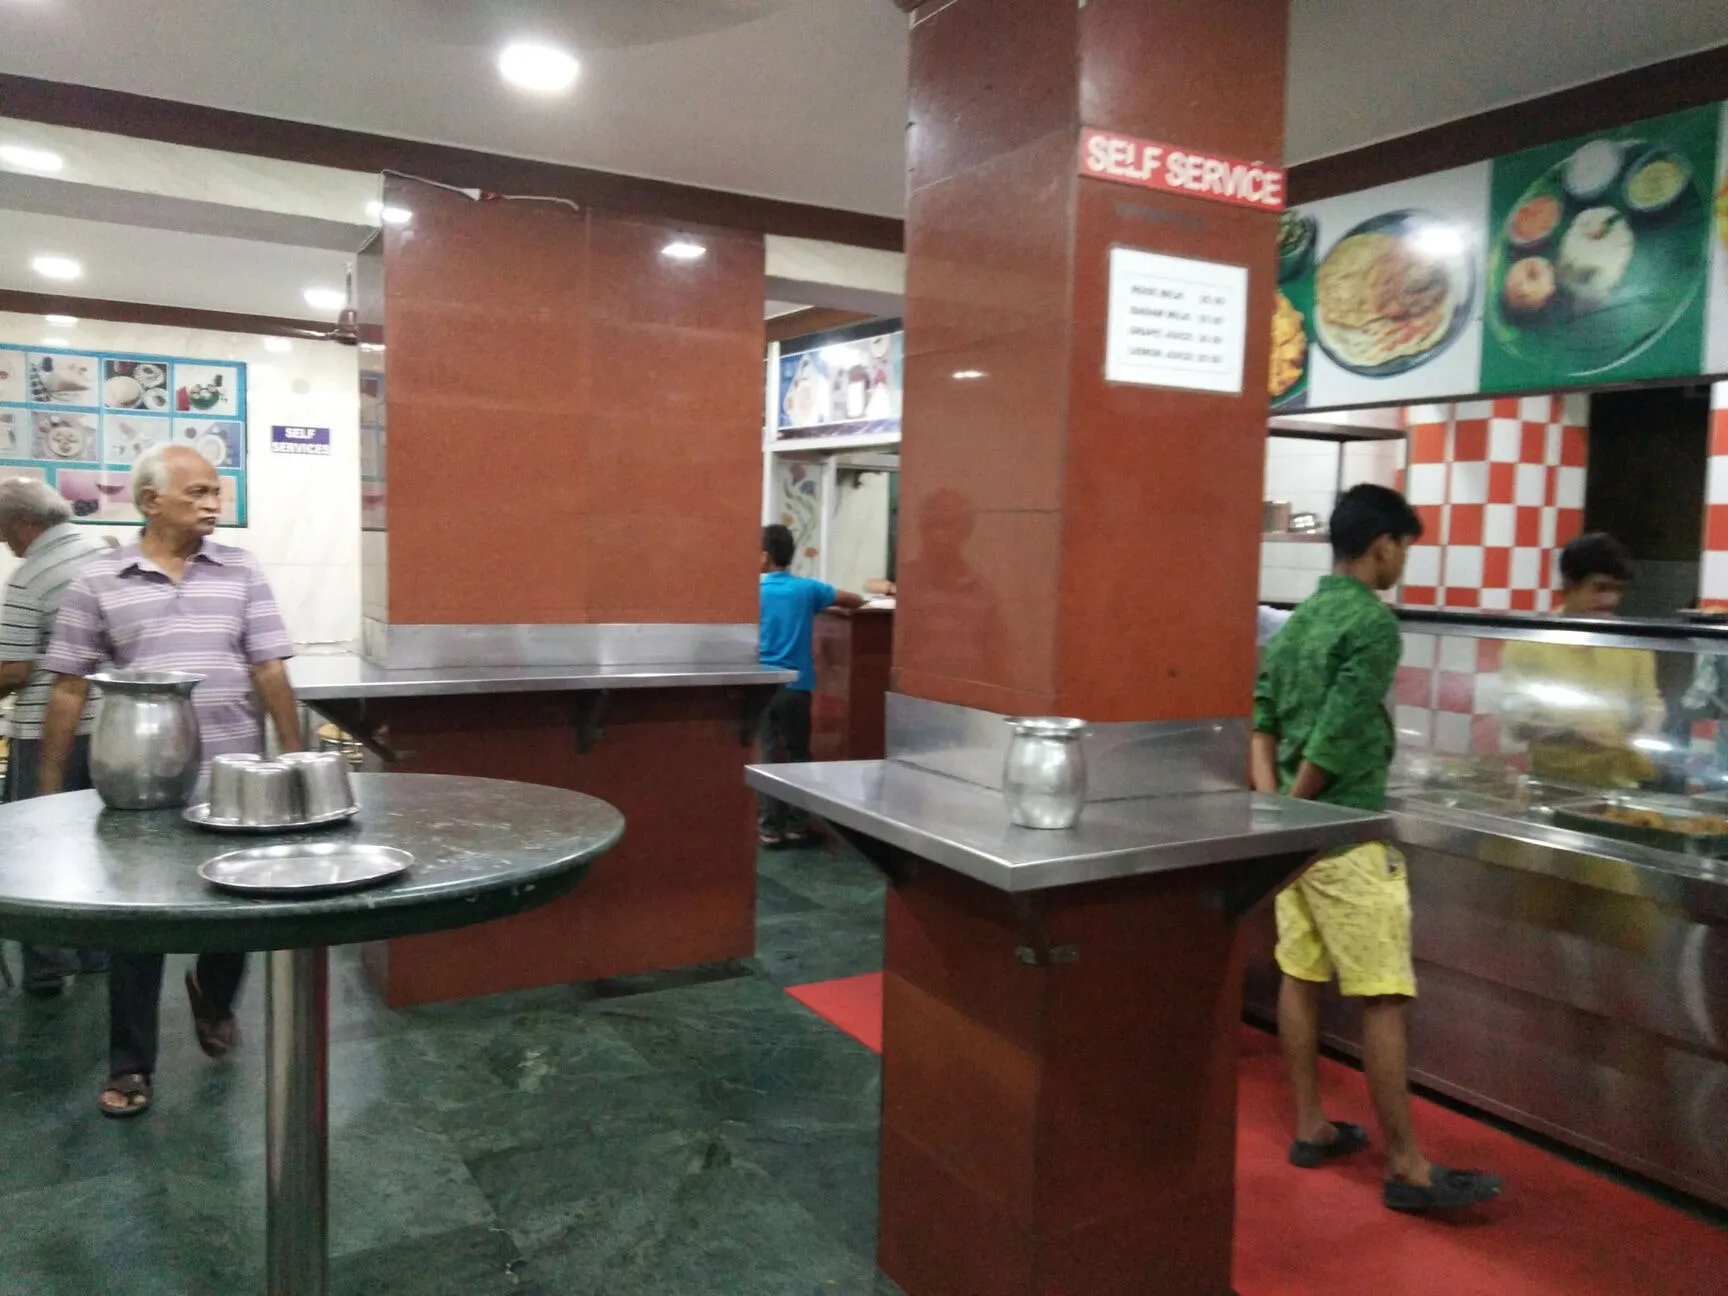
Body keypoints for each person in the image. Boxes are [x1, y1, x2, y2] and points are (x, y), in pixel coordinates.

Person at [1252, 483, 1501, 1213]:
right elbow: (1337, 732)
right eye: (1404, 549)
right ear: (1383, 544)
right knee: (1385, 995)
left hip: (1296, 841)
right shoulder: (1372, 622)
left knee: (1300, 975)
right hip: (1346, 834)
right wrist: (1300, 809)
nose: (1402, 563)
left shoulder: (1299, 620)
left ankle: (1311, 1126)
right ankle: (1406, 1167)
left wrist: (1273, 811)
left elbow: (1261, 718)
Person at [37, 444, 303, 1117]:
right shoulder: (100, 580)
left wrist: (298, 760)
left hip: (234, 774)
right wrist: (48, 787)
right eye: (199, 493)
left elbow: (269, 667)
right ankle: (130, 1064)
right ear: (151, 502)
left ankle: (213, 995)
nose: (214, 504)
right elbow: (68, 685)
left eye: (217, 491)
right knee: (139, 924)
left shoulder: (241, 570)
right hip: (142, 781)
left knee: (240, 909)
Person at [0, 477, 107, 996]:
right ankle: (97, 952)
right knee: (99, 843)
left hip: (48, 731)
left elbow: (15, 669)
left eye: (5, 533)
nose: (6, 544)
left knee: (35, 844)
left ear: (25, 525)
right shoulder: (106, 554)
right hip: (111, 729)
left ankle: (47, 963)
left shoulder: (30, 577)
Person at [1500, 533, 1662, 788]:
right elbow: (1516, 724)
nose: (1611, 600)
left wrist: (1641, 738)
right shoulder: (1528, 642)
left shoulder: (1632, 642)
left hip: (1620, 786)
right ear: (1569, 583)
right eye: (1600, 588)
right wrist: (1570, 732)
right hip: (1551, 785)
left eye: (1617, 589)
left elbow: (1649, 706)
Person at [756, 523, 864, 847]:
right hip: (797, 687)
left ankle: (769, 829)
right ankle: (797, 825)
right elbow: (856, 600)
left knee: (768, 755)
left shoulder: (752, 591)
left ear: (764, 556)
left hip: (761, 687)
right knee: (799, 755)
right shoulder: (807, 590)